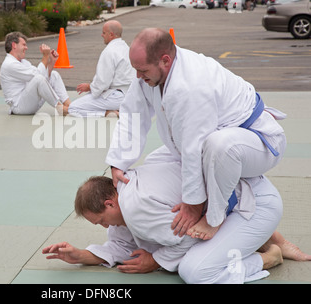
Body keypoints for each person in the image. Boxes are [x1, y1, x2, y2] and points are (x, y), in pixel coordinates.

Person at [106, 28, 287, 240]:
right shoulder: (151, 73)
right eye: (135, 69)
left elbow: (194, 146)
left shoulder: (191, 86)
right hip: (213, 140)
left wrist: (193, 205)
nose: (137, 76)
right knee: (154, 163)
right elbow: (133, 114)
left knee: (219, 146)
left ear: (165, 60)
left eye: (142, 70)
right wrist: (118, 161)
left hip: (257, 143)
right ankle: (272, 238)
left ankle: (215, 217)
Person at [42, 161, 310, 283]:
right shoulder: (128, 190)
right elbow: (119, 248)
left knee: (195, 271)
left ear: (110, 203)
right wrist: (78, 255)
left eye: (100, 221)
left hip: (251, 206)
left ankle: (269, 256)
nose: (106, 227)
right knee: (152, 241)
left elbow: (191, 236)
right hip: (242, 200)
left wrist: (156, 261)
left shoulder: (135, 206)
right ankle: (267, 237)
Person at [68, 20, 135, 118]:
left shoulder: (109, 52)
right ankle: (114, 109)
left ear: (111, 35)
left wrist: (90, 87)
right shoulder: (127, 48)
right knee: (90, 100)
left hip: (116, 96)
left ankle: (107, 113)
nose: (101, 35)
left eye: (104, 33)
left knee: (73, 108)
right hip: (129, 95)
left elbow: (102, 82)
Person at [0, 32, 71, 115]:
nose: (26, 48)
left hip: (30, 102)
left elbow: (43, 78)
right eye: (24, 45)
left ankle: (69, 105)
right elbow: (38, 77)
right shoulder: (10, 64)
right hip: (19, 107)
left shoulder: (23, 62)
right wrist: (45, 56)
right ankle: (61, 109)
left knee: (54, 75)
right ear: (14, 45)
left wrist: (51, 62)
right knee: (38, 79)